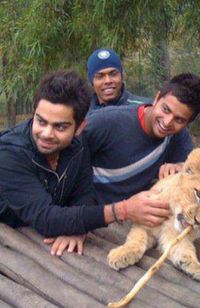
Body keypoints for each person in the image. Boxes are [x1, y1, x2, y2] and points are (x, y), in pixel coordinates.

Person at [0, 70, 170, 256]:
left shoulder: (77, 145)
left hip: (36, 238)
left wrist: (77, 228)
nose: (47, 133)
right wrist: (123, 210)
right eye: (41, 121)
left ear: (80, 127)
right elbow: (45, 218)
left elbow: (84, 193)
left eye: (60, 127)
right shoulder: (10, 154)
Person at [85, 72, 200, 204]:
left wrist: (181, 167)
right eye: (166, 109)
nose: (167, 122)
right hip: (97, 213)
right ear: (156, 98)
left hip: (139, 212)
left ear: (187, 123)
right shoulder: (105, 122)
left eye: (179, 119)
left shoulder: (177, 134)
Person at [87, 47, 151, 110]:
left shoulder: (144, 108)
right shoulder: (82, 114)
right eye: (100, 77)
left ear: (122, 76)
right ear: (91, 81)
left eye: (113, 74)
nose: (108, 81)